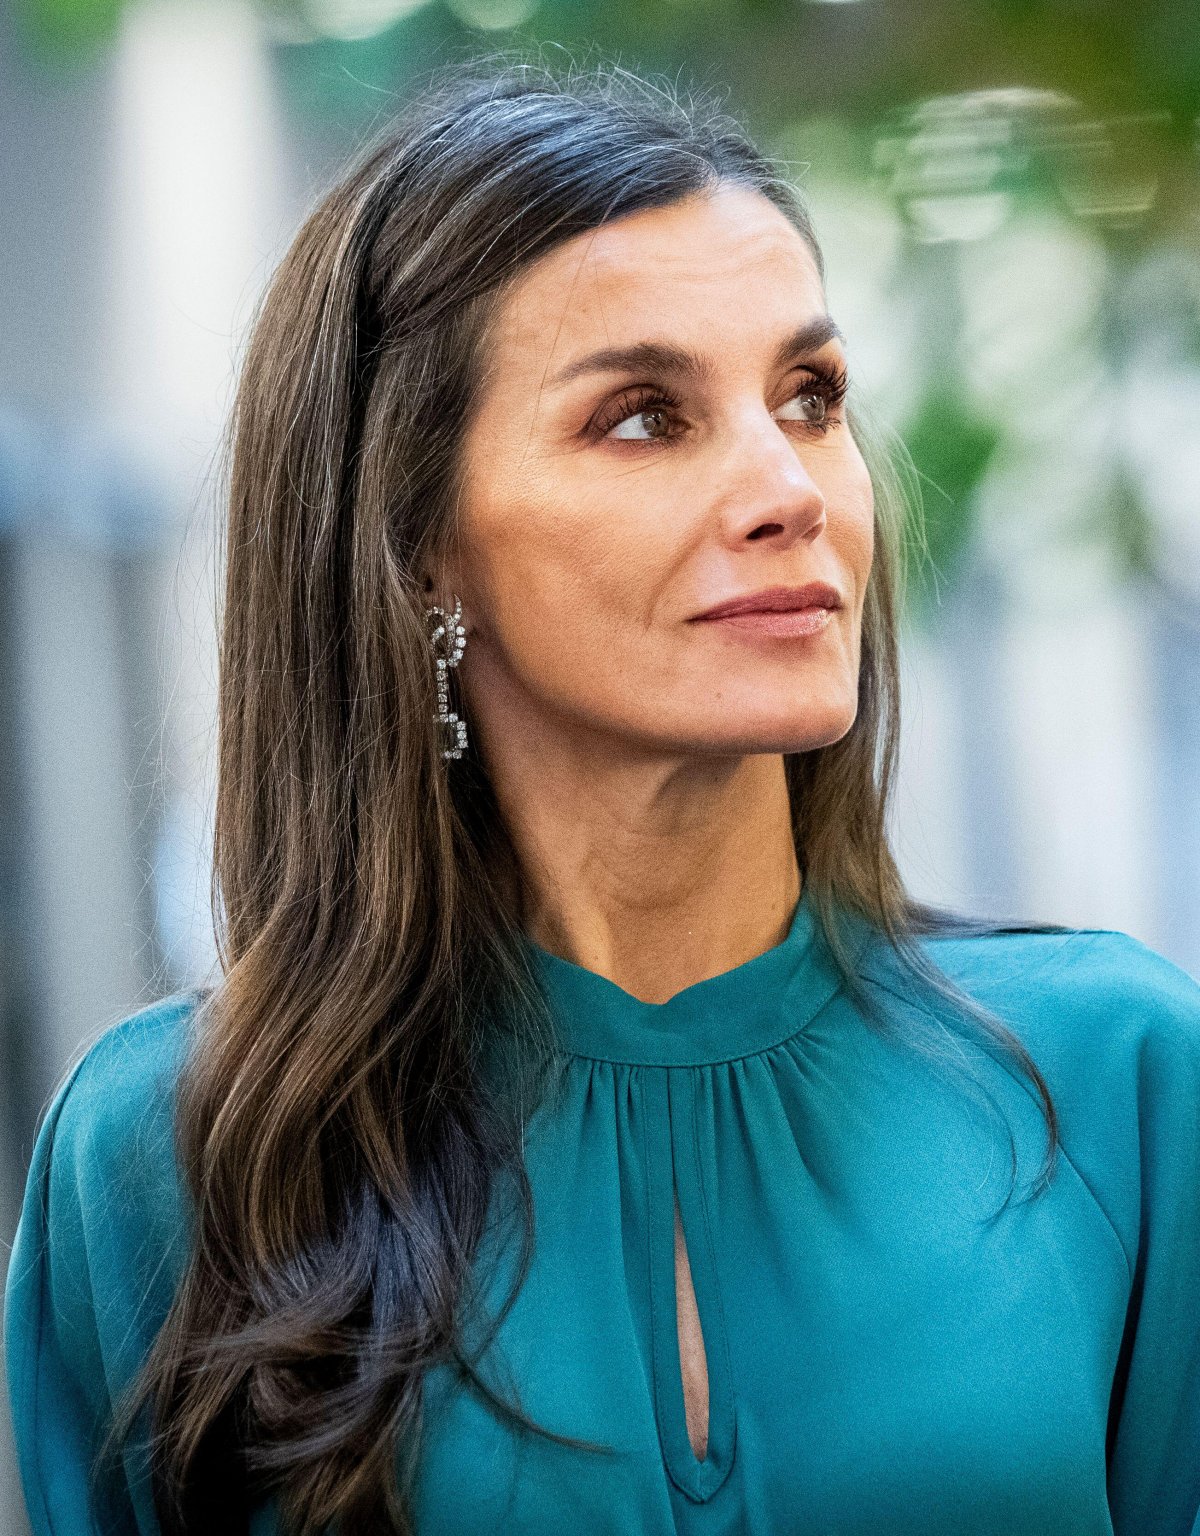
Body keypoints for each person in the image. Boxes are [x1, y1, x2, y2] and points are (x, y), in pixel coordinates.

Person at [5, 51, 1200, 1536]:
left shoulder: (1124, 1083)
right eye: (644, 415)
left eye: (811, 396)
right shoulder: (176, 1152)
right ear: (420, 543)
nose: (791, 488)